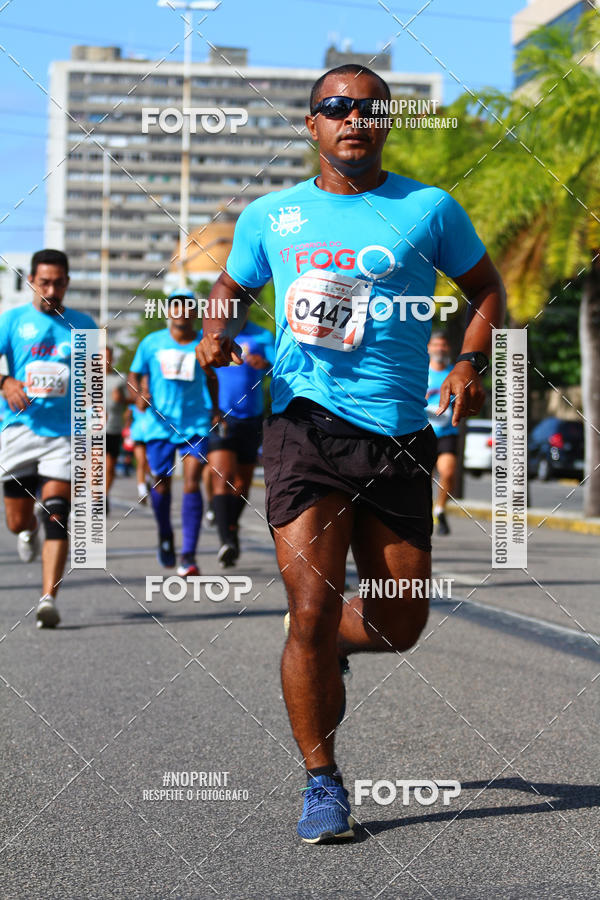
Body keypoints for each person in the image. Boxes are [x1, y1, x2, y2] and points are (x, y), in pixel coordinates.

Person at [196, 64, 504, 843]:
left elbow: (486, 288)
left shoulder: (428, 209)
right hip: (305, 428)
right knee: (308, 606)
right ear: (312, 125)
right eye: (337, 108)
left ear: (387, 124)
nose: (354, 119)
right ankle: (323, 781)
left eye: (369, 109)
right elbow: (230, 285)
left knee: (401, 625)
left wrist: (468, 361)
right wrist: (217, 327)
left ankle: (331, 638)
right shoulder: (272, 215)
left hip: (399, 434)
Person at [0, 249, 97, 628]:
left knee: (57, 513)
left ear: (67, 283)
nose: (52, 290)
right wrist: (6, 382)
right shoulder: (12, 321)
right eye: (44, 282)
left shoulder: (83, 323)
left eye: (59, 282)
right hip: (18, 429)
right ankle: (26, 534)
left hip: (64, 433)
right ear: (31, 282)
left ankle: (47, 599)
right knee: (16, 521)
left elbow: (92, 384)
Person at [128, 290, 219, 575]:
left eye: (187, 307)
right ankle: (165, 534)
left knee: (192, 480)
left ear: (195, 313)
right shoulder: (151, 343)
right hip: (158, 424)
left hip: (194, 424)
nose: (181, 311)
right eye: (175, 307)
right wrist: (139, 393)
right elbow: (134, 374)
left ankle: (188, 555)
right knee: (161, 483)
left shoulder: (202, 344)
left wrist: (216, 409)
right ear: (168, 312)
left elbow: (212, 377)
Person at [206, 319, 274, 567]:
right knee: (223, 476)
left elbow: (283, 366)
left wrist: (266, 365)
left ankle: (230, 527)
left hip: (251, 418)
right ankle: (227, 541)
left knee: (242, 486)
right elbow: (200, 368)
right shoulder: (213, 333)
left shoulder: (263, 336)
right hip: (221, 415)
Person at [426, 331, 459, 535]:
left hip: (447, 431)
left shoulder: (454, 372)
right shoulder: (421, 372)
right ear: (428, 348)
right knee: (424, 476)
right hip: (423, 430)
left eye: (443, 345)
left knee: (448, 471)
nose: (440, 348)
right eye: (436, 344)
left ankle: (440, 509)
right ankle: (425, 511)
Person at [104, 346, 127, 515]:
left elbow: (132, 400)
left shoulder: (120, 378)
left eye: (107, 357)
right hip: (93, 428)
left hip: (114, 426)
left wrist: (122, 399)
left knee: (110, 466)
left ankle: (104, 495)